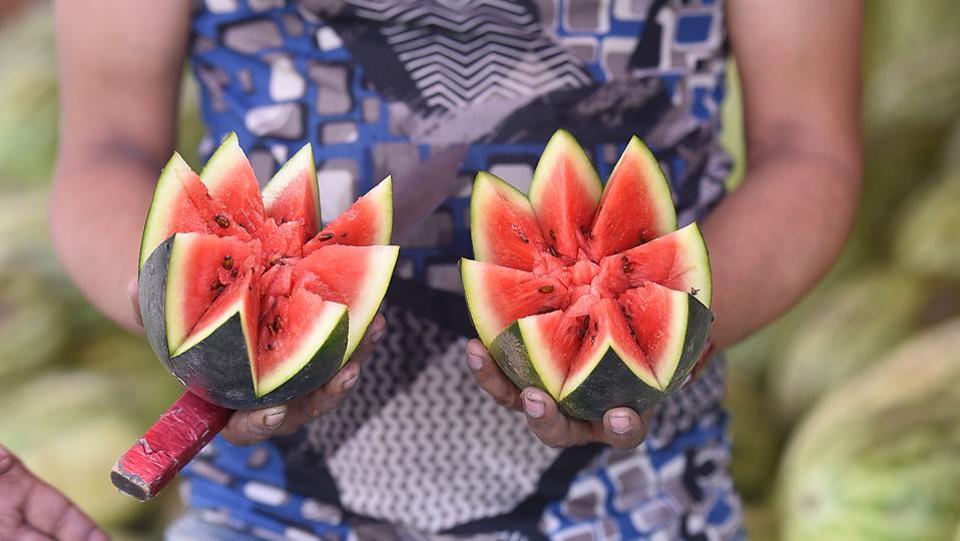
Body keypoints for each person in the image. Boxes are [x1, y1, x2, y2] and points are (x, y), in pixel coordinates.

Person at [22, 0, 861, 539]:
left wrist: (662, 343)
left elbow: (808, 150)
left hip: (645, 501)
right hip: (266, 513)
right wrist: (183, 322)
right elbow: (108, 146)